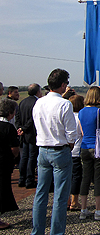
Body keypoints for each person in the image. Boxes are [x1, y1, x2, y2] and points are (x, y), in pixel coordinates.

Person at [31, 68, 78, 235]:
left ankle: (37, 231)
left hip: (43, 149)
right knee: (60, 195)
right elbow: (72, 133)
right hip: (60, 149)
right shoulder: (65, 104)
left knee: (41, 193)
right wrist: (70, 145)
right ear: (64, 85)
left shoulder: (39, 102)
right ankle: (57, 232)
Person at [78, 86, 100, 221]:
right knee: (98, 178)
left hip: (85, 146)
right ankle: (98, 210)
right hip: (98, 147)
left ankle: (84, 209)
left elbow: (82, 131)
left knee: (86, 178)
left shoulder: (81, 112)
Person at [16, 83, 42, 189]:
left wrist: (20, 128)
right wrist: (25, 128)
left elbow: (18, 116)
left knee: (24, 157)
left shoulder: (22, 102)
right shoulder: (37, 103)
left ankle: (22, 178)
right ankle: (30, 179)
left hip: (24, 133)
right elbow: (33, 118)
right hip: (32, 133)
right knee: (32, 157)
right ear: (37, 92)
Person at [0, 99, 20, 230]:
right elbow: (14, 148)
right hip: (3, 162)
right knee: (2, 189)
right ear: (10, 113)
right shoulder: (8, 127)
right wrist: (13, 157)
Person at [68, 95, 84, 211]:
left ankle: (66, 200)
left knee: (66, 177)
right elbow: (83, 133)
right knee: (76, 176)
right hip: (77, 149)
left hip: (65, 150)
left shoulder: (67, 117)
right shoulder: (80, 117)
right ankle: (74, 201)